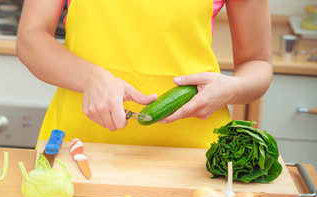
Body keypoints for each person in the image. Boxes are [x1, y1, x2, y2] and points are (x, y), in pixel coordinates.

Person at [16, 0, 272, 149]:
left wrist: (231, 88)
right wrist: (90, 78)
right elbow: (31, 38)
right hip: (81, 144)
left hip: (193, 157)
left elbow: (257, 62)